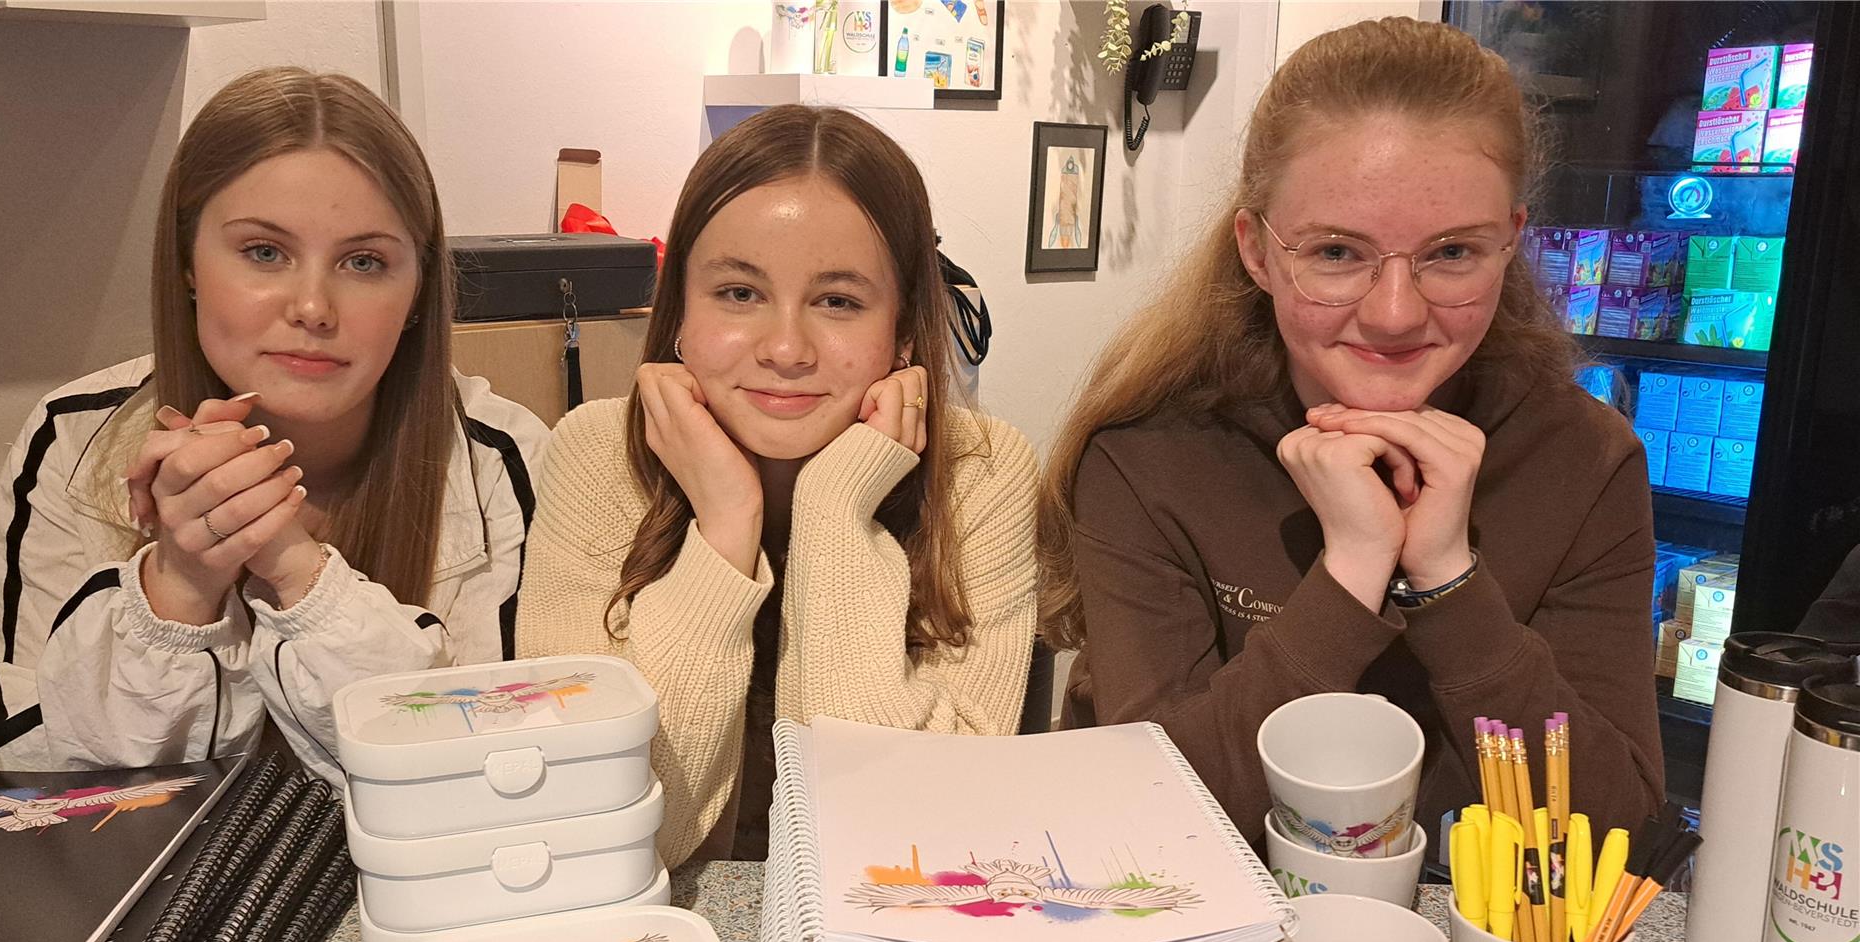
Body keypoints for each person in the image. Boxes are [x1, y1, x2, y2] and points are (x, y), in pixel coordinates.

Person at [1038, 18, 1665, 847]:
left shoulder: (1584, 461)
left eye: (1451, 252)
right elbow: (1154, 818)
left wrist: (1447, 578)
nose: (1396, 312)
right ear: (1257, 252)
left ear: (1511, 241)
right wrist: (1350, 572)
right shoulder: (1148, 456)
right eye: (1336, 252)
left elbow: (1620, 829)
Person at [0, 67, 546, 785]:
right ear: (187, 264)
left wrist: (297, 569)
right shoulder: (72, 440)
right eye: (264, 253)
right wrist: (179, 583)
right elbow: (39, 781)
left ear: (419, 290)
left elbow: (504, 772)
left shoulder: (502, 461)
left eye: (364, 262)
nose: (312, 307)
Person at [518, 105, 1038, 867]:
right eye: (738, 293)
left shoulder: (982, 474)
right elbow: (611, 837)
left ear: (901, 328)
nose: (787, 349)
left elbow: (903, 837)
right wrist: (725, 526)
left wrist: (836, 513)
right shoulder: (596, 457)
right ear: (679, 316)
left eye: (838, 301)